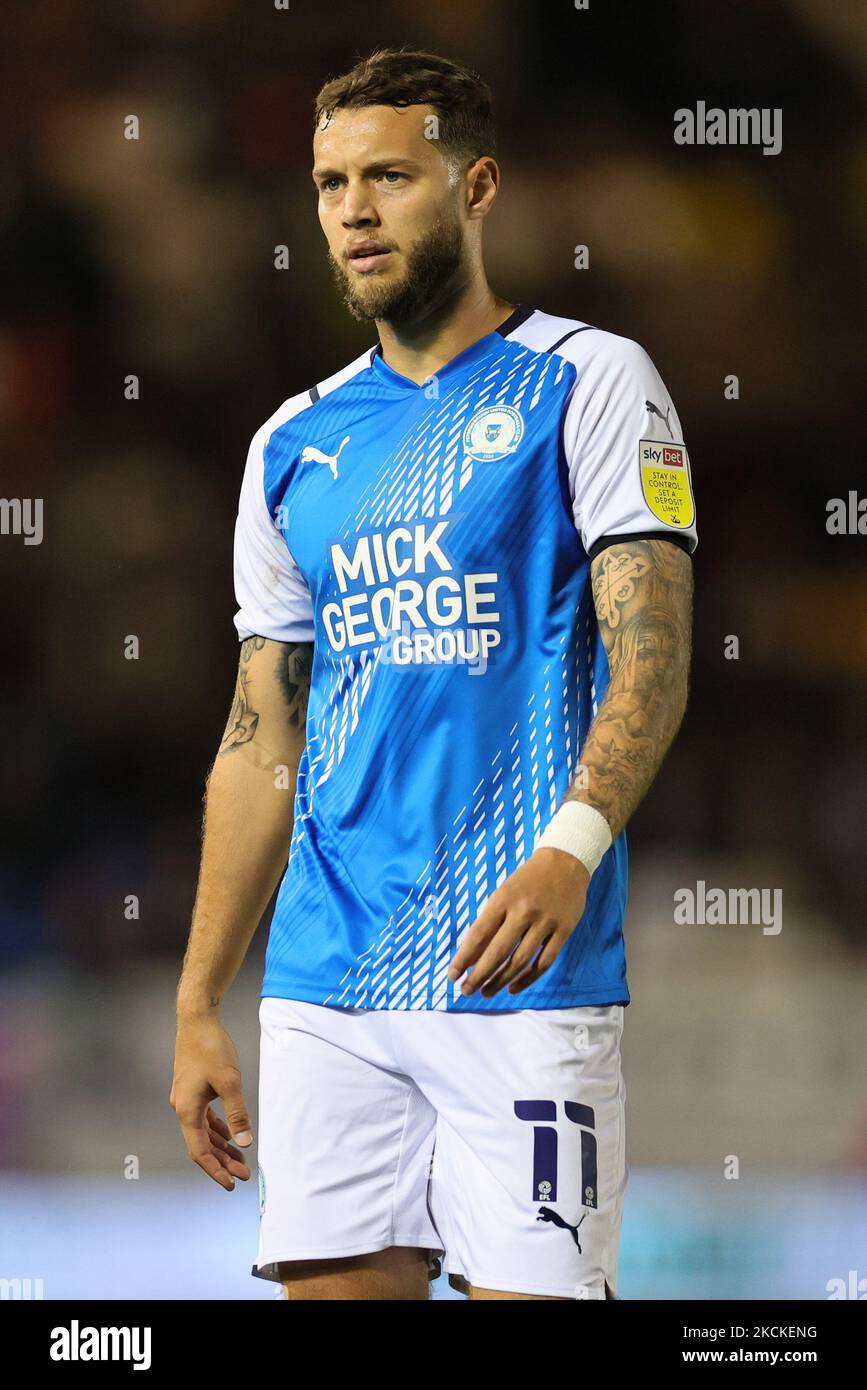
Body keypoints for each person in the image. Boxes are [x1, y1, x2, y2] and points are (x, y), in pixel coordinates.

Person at [171, 46, 696, 1301]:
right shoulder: (291, 445)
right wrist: (199, 1000)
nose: (352, 209)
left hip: (518, 974)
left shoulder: (591, 381)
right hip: (325, 985)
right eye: (330, 182)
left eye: (390, 176)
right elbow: (259, 745)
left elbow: (655, 658)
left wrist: (571, 847)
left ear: (477, 186)